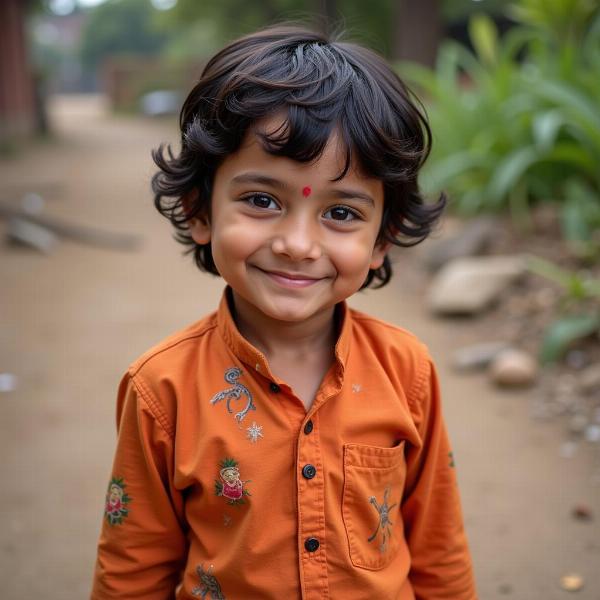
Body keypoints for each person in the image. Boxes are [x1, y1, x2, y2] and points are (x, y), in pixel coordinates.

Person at [91, 24, 477, 599]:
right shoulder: (161, 389)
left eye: (341, 213)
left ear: (381, 240)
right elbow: (132, 571)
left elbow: (439, 548)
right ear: (200, 211)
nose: (298, 244)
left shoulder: (407, 371)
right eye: (262, 200)